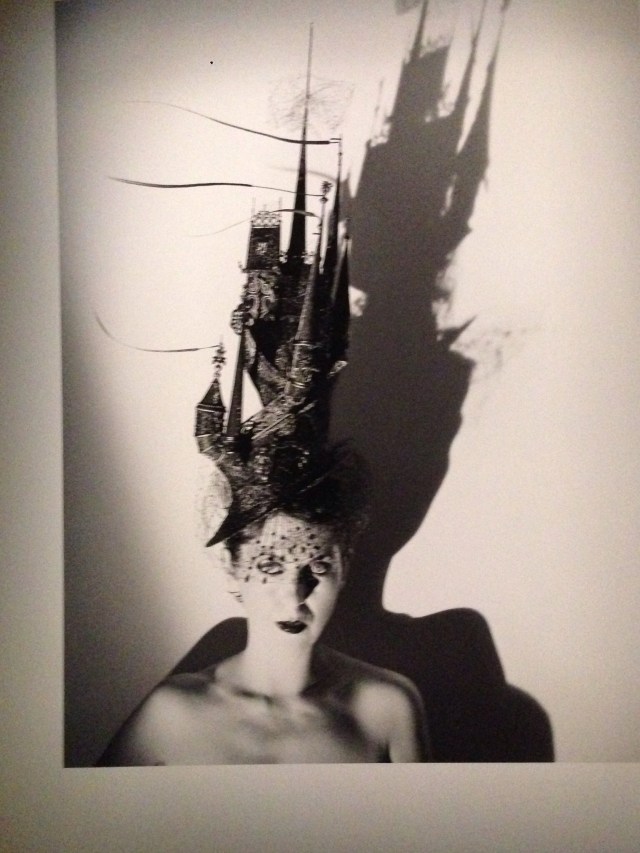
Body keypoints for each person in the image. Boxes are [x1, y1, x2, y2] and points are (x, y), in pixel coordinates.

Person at [98, 464, 430, 765]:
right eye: (271, 566)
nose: (295, 596)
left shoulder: (385, 708)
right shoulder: (172, 715)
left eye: (318, 566)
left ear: (343, 569)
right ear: (232, 569)